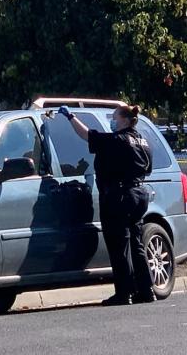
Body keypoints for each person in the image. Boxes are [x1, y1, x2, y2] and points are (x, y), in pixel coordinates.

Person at [58, 104, 155, 305]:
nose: (112, 121)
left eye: (115, 118)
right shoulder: (143, 141)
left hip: (119, 196)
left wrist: (70, 117)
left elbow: (86, 135)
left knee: (119, 245)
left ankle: (124, 293)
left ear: (125, 120)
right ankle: (146, 290)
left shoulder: (117, 140)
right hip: (138, 194)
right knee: (136, 243)